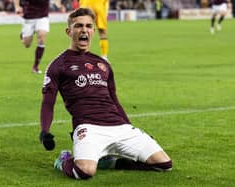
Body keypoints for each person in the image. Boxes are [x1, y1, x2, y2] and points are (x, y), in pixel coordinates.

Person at [39, 8, 172, 180]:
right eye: (78, 26)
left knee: (164, 164)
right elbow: (48, 102)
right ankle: (64, 160)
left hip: (118, 126)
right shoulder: (58, 65)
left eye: (88, 26)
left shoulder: (103, 64)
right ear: (69, 31)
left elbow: (114, 100)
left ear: (93, 31)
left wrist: (131, 128)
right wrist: (44, 131)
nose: (84, 30)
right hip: (88, 127)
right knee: (84, 172)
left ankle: (110, 163)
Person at [14, 0, 50, 74]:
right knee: (27, 44)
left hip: (43, 16)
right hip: (29, 17)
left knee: (42, 38)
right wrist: (17, 6)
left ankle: (35, 67)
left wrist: (59, 5)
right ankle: (23, 35)